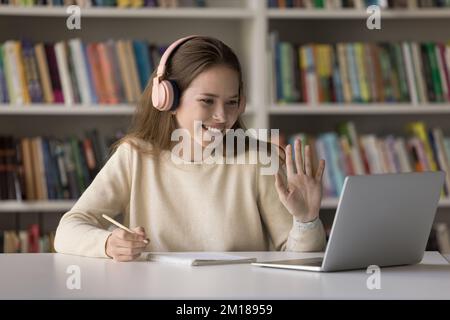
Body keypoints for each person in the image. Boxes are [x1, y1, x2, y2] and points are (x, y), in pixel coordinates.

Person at [54, 35, 327, 262]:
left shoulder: (259, 161)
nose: (222, 116)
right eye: (207, 101)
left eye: (232, 102)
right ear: (167, 99)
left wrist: (306, 220)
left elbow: (297, 262)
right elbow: (67, 229)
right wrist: (107, 243)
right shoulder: (134, 157)